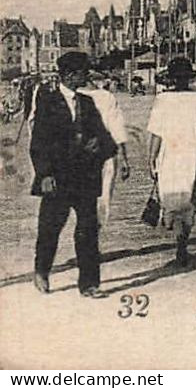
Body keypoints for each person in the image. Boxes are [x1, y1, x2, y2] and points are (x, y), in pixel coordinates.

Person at [29, 52, 118, 297]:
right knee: (50, 227)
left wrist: (99, 147)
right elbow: (39, 143)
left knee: (88, 230)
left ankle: (89, 284)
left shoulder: (88, 104)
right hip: (57, 178)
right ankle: (42, 270)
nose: (87, 76)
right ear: (69, 75)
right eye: (83, 72)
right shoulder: (47, 102)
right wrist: (45, 174)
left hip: (85, 178)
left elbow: (106, 140)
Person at [144, 57, 196, 267]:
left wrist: (151, 159)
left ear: (171, 79)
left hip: (170, 154)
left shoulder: (162, 100)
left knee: (171, 197)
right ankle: (182, 240)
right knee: (190, 201)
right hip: (193, 154)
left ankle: (175, 228)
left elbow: (156, 135)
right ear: (189, 78)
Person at [80, 70, 131, 227]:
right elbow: (117, 129)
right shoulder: (106, 97)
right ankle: (93, 238)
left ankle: (87, 239)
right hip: (105, 151)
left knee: (83, 199)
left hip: (82, 153)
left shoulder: (70, 96)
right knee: (103, 196)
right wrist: (124, 159)